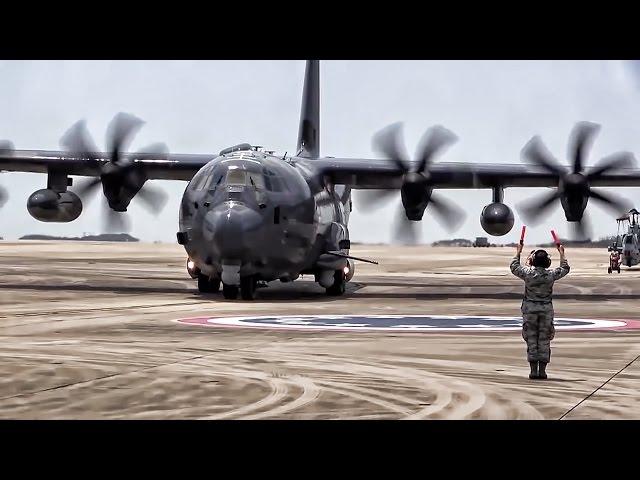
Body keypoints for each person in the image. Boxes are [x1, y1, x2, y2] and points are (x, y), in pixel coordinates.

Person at [510, 242, 570, 380]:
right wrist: (562, 253)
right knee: (544, 339)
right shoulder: (550, 275)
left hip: (530, 311)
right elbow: (565, 268)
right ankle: (542, 371)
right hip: (546, 311)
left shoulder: (528, 274)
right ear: (547, 262)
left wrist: (518, 252)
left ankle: (533, 370)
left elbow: (514, 267)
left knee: (531, 339)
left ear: (532, 261)